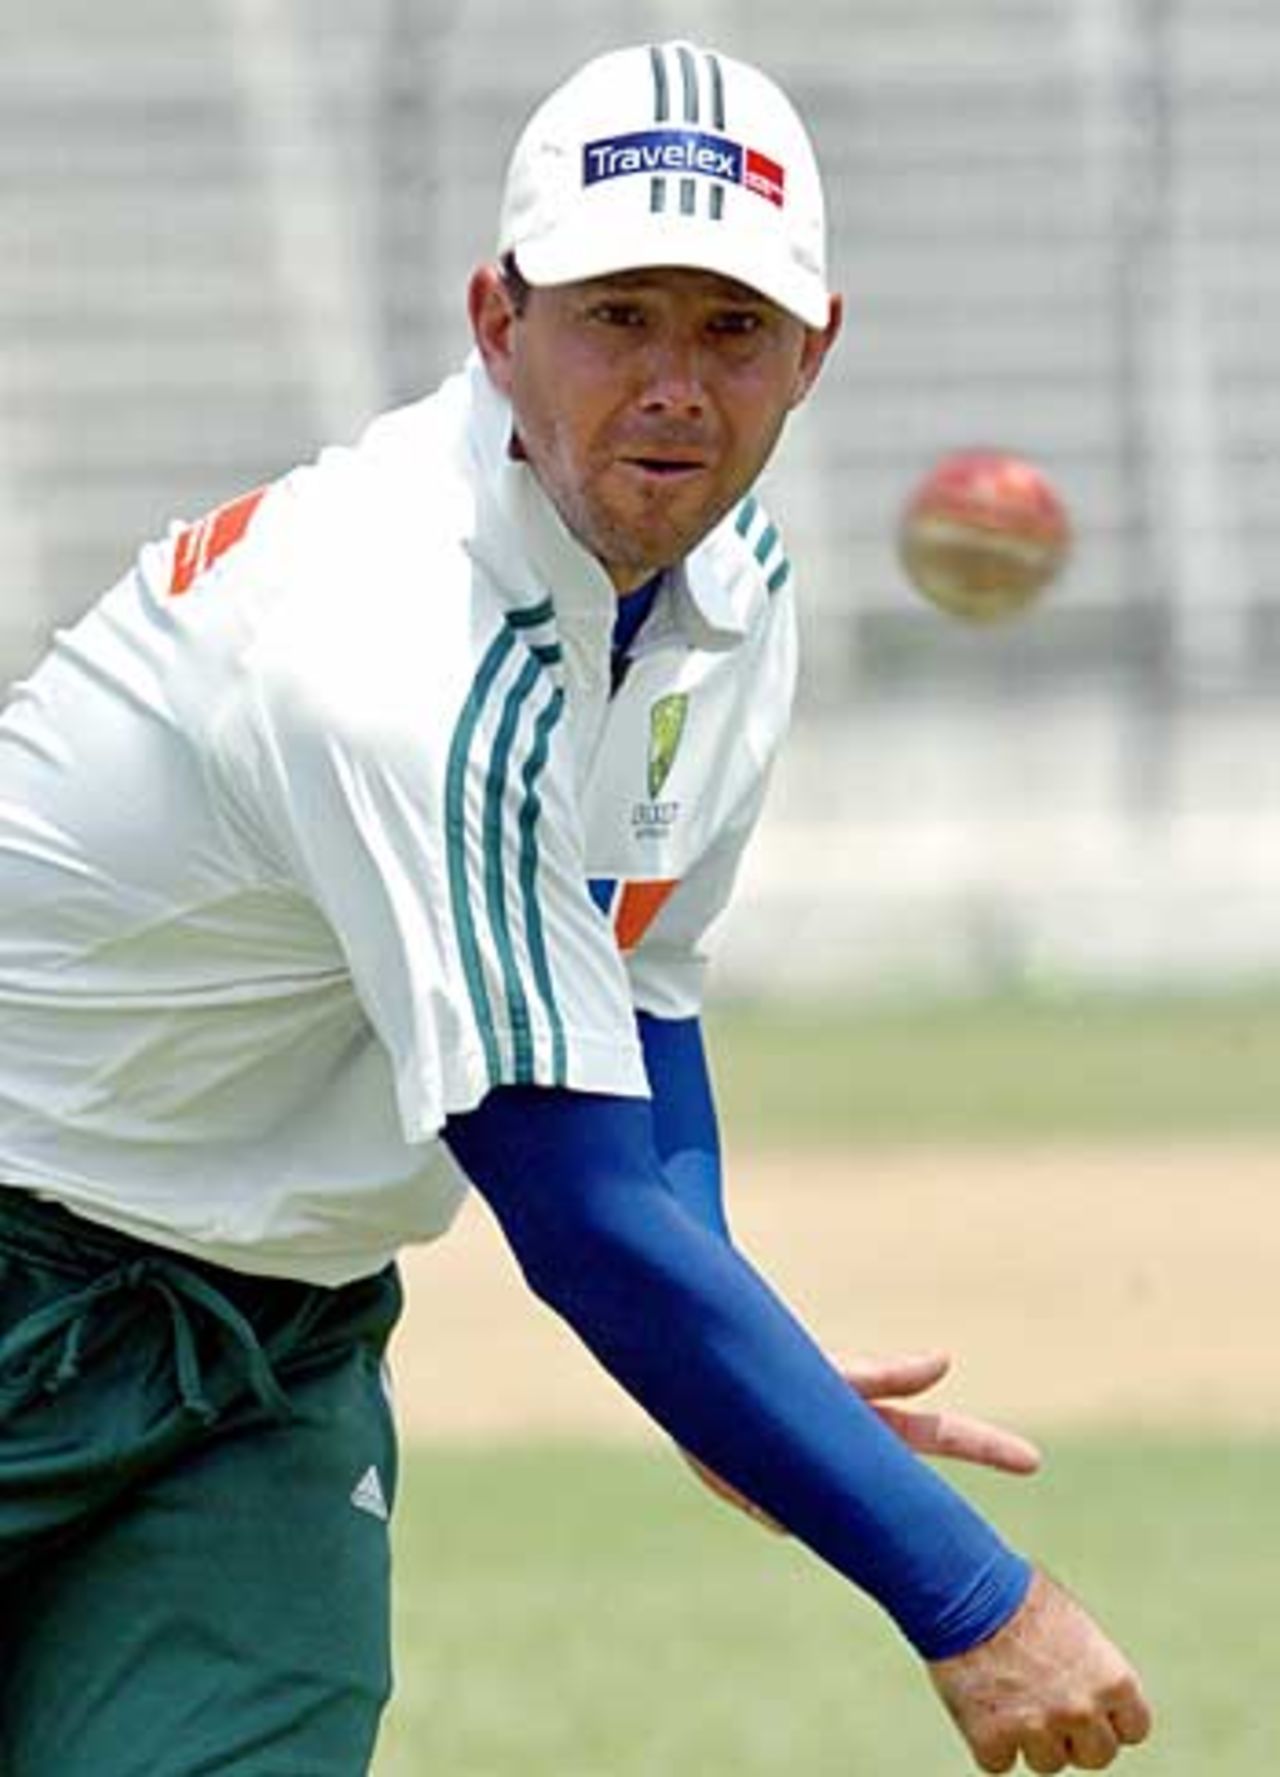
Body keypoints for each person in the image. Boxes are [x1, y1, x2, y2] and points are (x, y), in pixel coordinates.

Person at [0, 38, 1151, 1776]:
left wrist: (729, 1356)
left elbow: (642, 986)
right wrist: (975, 1598)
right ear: (495, 318)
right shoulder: (394, 647)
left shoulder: (729, 588)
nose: (675, 385)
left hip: (266, 1351)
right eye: (619, 317)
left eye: (732, 328)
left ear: (815, 351)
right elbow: (580, 1209)